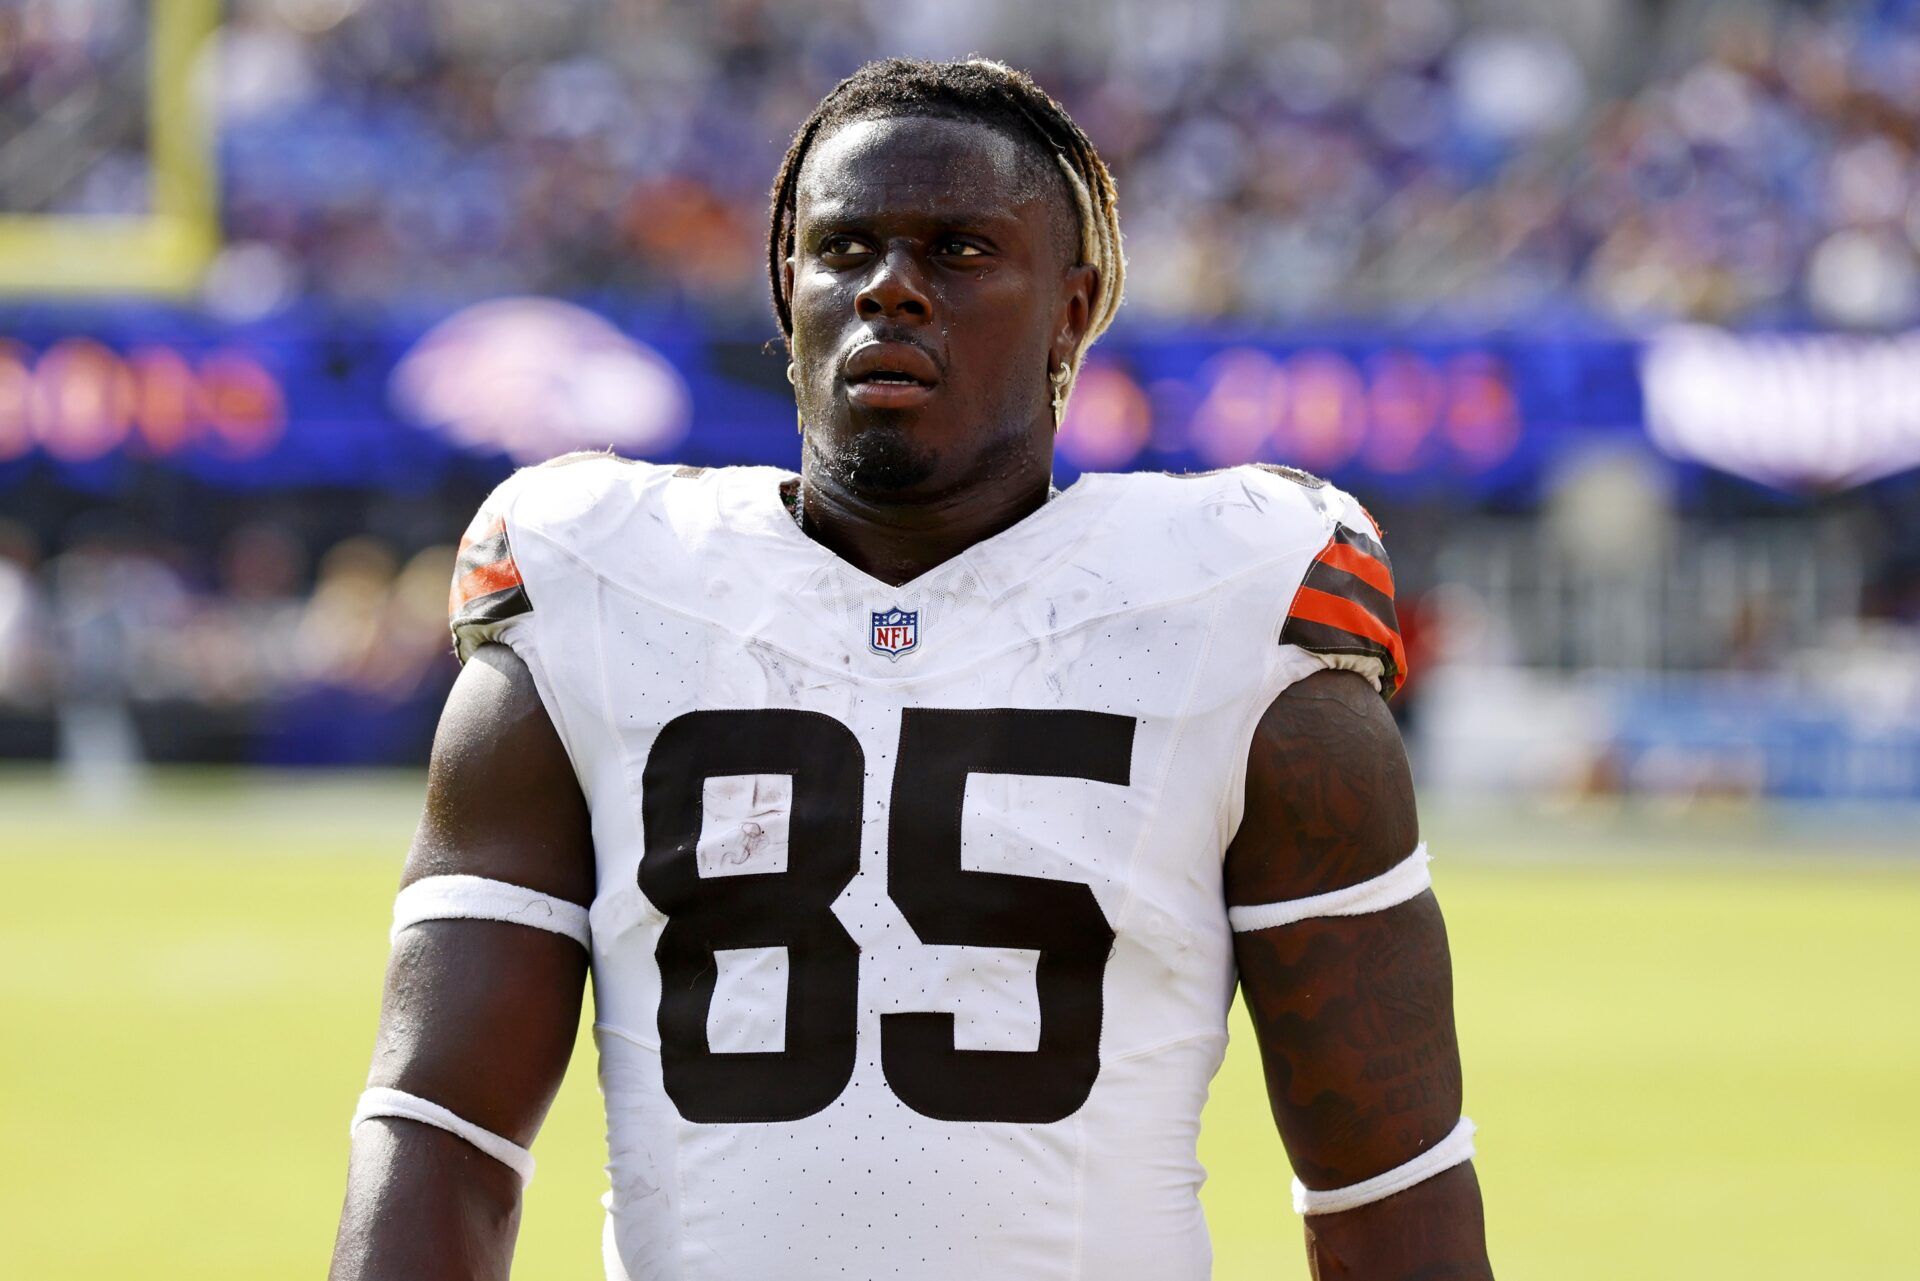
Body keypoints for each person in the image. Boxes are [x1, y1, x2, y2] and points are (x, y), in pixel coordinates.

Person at [329, 57, 1492, 1281]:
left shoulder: (1235, 605)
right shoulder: (598, 588)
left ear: (1074, 306)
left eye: (960, 251)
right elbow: (441, 1124)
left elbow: (1384, 1174)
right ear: (788, 292)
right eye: (844, 249)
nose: (892, 287)